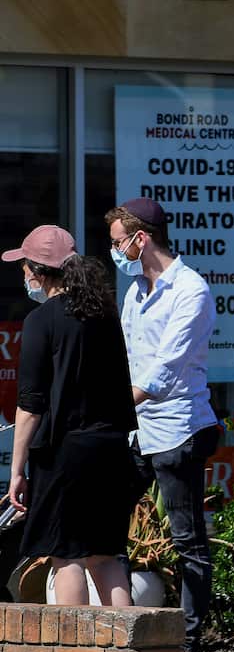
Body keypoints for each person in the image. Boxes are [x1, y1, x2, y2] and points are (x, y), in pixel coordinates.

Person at [106, 197, 221, 652]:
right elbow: (127, 354)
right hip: (138, 430)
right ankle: (123, 626)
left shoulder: (190, 289)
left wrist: (114, 405)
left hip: (178, 428)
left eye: (118, 242)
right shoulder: (135, 290)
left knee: (186, 536)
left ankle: (190, 645)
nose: (115, 251)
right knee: (110, 520)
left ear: (141, 238)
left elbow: (165, 368)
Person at [4, 225, 138, 606]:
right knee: (105, 556)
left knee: (66, 557)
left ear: (36, 270)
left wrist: (17, 470)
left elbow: (30, 404)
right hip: (111, 449)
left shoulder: (40, 321)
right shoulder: (104, 314)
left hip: (65, 453)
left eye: (24, 266)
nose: (24, 275)